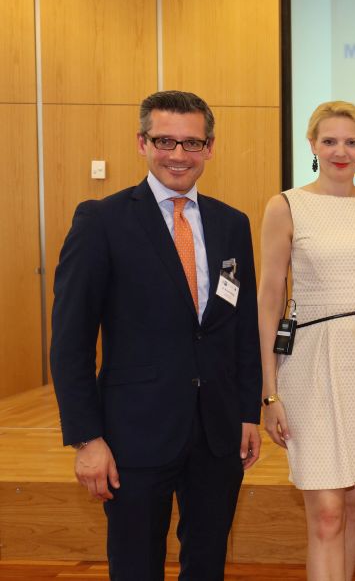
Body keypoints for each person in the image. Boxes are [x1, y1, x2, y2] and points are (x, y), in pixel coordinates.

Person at [48, 90, 262, 580]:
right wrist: (86, 438)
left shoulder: (232, 224)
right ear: (142, 143)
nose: (178, 155)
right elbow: (70, 342)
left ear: (209, 148)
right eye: (165, 141)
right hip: (133, 434)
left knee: (207, 564)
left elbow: (241, 328)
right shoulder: (101, 221)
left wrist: (247, 411)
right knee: (136, 567)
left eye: (192, 143)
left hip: (217, 433)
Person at [257, 101, 355, 581]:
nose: (340, 151)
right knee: (326, 510)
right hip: (311, 363)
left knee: (354, 500)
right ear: (312, 145)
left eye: (351, 142)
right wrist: (269, 393)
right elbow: (269, 299)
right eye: (329, 141)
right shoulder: (285, 206)